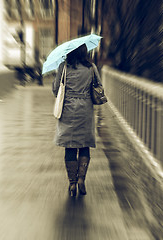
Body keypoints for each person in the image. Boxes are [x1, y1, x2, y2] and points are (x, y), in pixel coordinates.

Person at [52, 44, 103, 196]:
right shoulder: (91, 67)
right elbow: (99, 86)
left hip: (67, 110)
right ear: (84, 52)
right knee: (84, 145)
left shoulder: (64, 67)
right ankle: (81, 179)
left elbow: (56, 90)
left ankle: (72, 183)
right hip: (85, 110)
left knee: (70, 146)